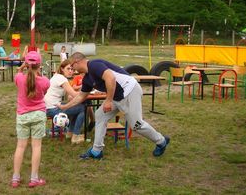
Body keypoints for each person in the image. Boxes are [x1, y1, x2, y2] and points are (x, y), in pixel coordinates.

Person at [57, 52, 170, 160]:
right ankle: (96, 151)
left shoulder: (94, 65)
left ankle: (161, 141)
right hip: (117, 96)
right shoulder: (87, 79)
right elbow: (81, 97)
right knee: (100, 115)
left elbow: (110, 78)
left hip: (129, 90)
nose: (73, 70)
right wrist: (65, 106)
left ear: (77, 61)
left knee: (136, 125)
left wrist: (108, 100)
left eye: (72, 66)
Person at [11, 51, 50, 188]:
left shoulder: (19, 78)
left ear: (26, 64)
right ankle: (34, 178)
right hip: (38, 114)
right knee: (36, 146)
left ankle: (15, 178)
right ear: (39, 65)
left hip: (22, 115)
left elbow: (19, 74)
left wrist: (23, 67)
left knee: (20, 146)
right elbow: (44, 90)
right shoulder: (45, 81)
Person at [44, 60, 85, 144]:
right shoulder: (61, 78)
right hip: (53, 108)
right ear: (62, 68)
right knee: (83, 108)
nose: (71, 71)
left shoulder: (57, 76)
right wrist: (88, 93)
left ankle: (70, 133)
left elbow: (69, 95)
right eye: (68, 69)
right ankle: (75, 136)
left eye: (72, 69)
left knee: (76, 107)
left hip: (49, 107)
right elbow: (74, 94)